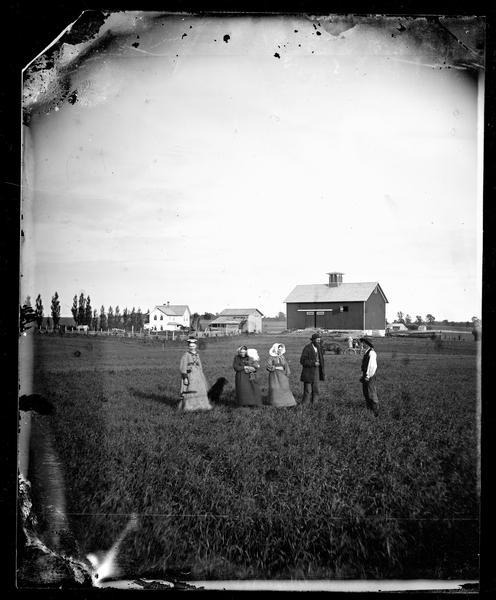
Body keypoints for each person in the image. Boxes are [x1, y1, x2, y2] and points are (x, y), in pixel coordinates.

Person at [178, 337, 212, 411]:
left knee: (200, 389)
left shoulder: (197, 355)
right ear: (188, 347)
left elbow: (200, 365)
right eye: (190, 346)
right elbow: (183, 367)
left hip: (198, 375)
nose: (192, 348)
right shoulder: (186, 355)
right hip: (190, 375)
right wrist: (185, 377)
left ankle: (200, 405)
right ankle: (190, 405)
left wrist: (201, 374)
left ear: (195, 346)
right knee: (191, 389)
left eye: (193, 346)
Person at [266, 343, 297, 407]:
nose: (280, 350)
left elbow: (286, 365)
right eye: (279, 349)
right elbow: (268, 366)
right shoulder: (271, 357)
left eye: (281, 349)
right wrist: (275, 368)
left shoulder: (282, 357)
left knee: (284, 387)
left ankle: (287, 403)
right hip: (274, 375)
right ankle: (276, 403)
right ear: (275, 349)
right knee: (275, 388)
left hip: (282, 375)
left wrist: (287, 372)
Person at [299, 333, 325, 404]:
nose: (319, 341)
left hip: (317, 371)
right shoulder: (307, 348)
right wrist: (313, 363)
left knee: (316, 389)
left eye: (319, 340)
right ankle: (305, 405)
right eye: (317, 340)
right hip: (308, 372)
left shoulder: (319, 348)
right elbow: (302, 361)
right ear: (313, 340)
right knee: (308, 390)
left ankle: (315, 404)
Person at [359, 337, 379, 416]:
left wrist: (368, 376)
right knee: (366, 392)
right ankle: (369, 409)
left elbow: (372, 366)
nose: (362, 344)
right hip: (366, 374)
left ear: (367, 344)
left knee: (371, 392)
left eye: (363, 343)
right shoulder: (367, 352)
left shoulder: (372, 353)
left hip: (370, 375)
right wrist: (363, 375)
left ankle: (375, 411)